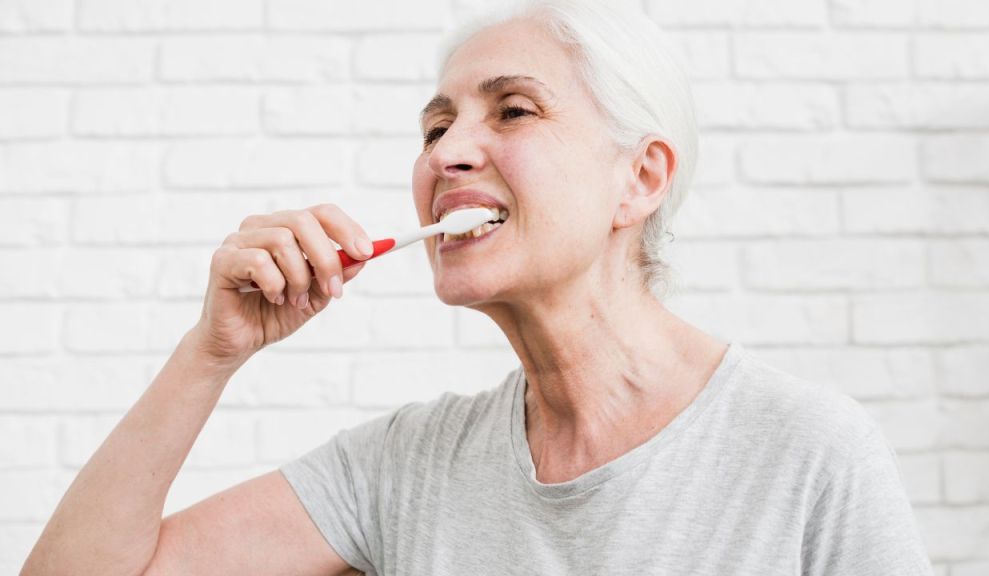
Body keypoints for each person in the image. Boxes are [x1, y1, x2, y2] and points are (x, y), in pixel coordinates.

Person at [22, 1, 933, 574]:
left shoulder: (807, 454)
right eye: (435, 125)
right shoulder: (406, 468)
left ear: (642, 179)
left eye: (514, 109)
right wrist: (209, 355)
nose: (447, 152)